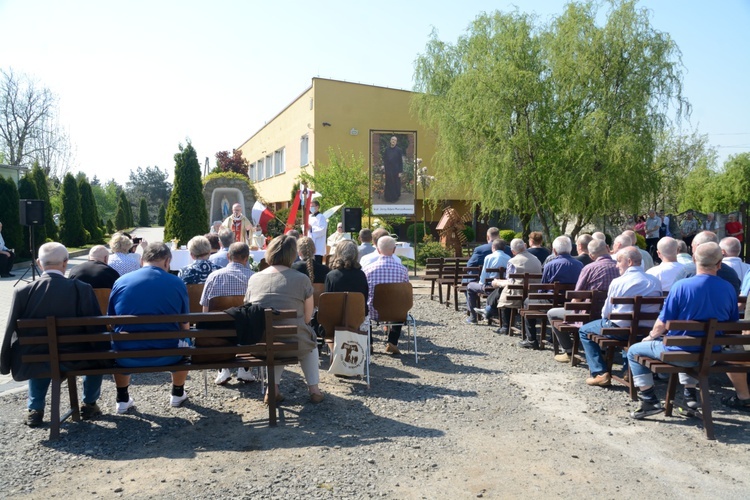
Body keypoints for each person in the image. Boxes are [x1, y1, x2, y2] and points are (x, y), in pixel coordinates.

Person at [627, 242, 739, 419]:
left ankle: (649, 400)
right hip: (710, 356)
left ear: (694, 259)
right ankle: (689, 395)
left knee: (633, 351)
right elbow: (732, 324)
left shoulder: (681, 286)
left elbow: (662, 324)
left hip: (679, 353)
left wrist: (649, 337)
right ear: (719, 263)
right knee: (685, 343)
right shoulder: (729, 289)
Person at [1, 242, 107, 427]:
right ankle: (89, 404)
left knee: (40, 353)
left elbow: (11, 330)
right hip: (78, 358)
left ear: (39, 263)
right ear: (65, 263)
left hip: (37, 359)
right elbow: (95, 329)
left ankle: (35, 409)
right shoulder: (81, 288)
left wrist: (5, 363)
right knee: (96, 354)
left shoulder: (22, 291)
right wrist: (105, 353)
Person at [108, 242, 191, 413]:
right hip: (169, 354)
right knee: (186, 338)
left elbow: (112, 321)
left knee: (118, 337)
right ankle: (177, 392)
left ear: (142, 261)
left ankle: (122, 398)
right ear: (167, 261)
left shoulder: (120, 281)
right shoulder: (176, 283)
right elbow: (185, 324)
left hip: (126, 355)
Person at [245, 235, 324, 404]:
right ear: (293, 254)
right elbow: (308, 317)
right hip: (293, 342)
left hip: (260, 342)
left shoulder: (254, 278)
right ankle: (314, 389)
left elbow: (248, 308)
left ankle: (272, 388)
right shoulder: (301, 279)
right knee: (308, 341)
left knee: (274, 336)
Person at [578, 247, 662, 387]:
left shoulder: (618, 282)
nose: (616, 265)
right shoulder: (654, 281)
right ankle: (628, 371)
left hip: (619, 331)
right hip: (646, 331)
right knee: (629, 333)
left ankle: (599, 373)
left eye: (618, 261)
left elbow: (606, 313)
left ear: (629, 262)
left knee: (584, 331)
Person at [549, 238, 620, 362]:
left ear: (591, 255)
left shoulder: (589, 269)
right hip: (612, 315)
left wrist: (571, 308)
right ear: (608, 249)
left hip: (588, 314)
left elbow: (577, 296)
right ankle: (603, 350)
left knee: (552, 313)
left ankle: (569, 351)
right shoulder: (620, 268)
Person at [200, 242, 256, 385]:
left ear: (228, 256)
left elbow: (205, 311)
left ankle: (223, 368)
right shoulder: (254, 278)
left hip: (219, 331)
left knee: (215, 321)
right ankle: (245, 368)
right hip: (245, 331)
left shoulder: (214, 276)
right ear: (247, 258)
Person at [521, 236, 583, 349]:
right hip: (571, 302)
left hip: (551, 300)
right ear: (570, 250)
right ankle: (552, 336)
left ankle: (531, 339)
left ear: (554, 251)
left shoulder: (550, 265)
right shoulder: (580, 265)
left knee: (527, 301)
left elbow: (543, 287)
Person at [363, 236, 409, 354]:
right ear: (394, 250)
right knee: (398, 305)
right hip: (396, 312)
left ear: (378, 250)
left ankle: (370, 343)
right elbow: (405, 293)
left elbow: (364, 291)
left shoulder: (368, 270)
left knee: (364, 310)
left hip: (374, 310)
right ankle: (392, 342)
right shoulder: (403, 270)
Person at [489, 239, 543, 335]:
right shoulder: (536, 259)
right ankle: (489, 310)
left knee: (504, 291)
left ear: (513, 251)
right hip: (533, 293)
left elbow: (509, 282)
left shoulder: (512, 261)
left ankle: (505, 326)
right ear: (525, 247)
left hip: (518, 295)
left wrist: (497, 283)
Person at [466, 239, 509, 324]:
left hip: (489, 287)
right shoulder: (509, 258)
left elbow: (483, 276)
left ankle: (473, 317)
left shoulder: (489, 257)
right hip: (503, 288)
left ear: (493, 247)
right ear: (504, 248)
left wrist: (481, 284)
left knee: (470, 286)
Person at [325, 239, 369, 318]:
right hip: (357, 318)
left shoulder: (331, 276)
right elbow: (364, 299)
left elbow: (328, 302)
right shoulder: (361, 275)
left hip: (335, 319)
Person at [382, 135, 404, 202]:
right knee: (388, 183)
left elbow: (400, 161)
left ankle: (394, 198)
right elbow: (385, 159)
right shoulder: (387, 150)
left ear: (396, 142)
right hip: (388, 170)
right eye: (392, 139)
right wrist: (383, 166)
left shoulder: (399, 150)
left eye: (395, 140)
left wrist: (400, 172)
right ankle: (388, 198)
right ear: (390, 141)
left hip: (396, 170)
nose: (393, 141)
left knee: (395, 184)